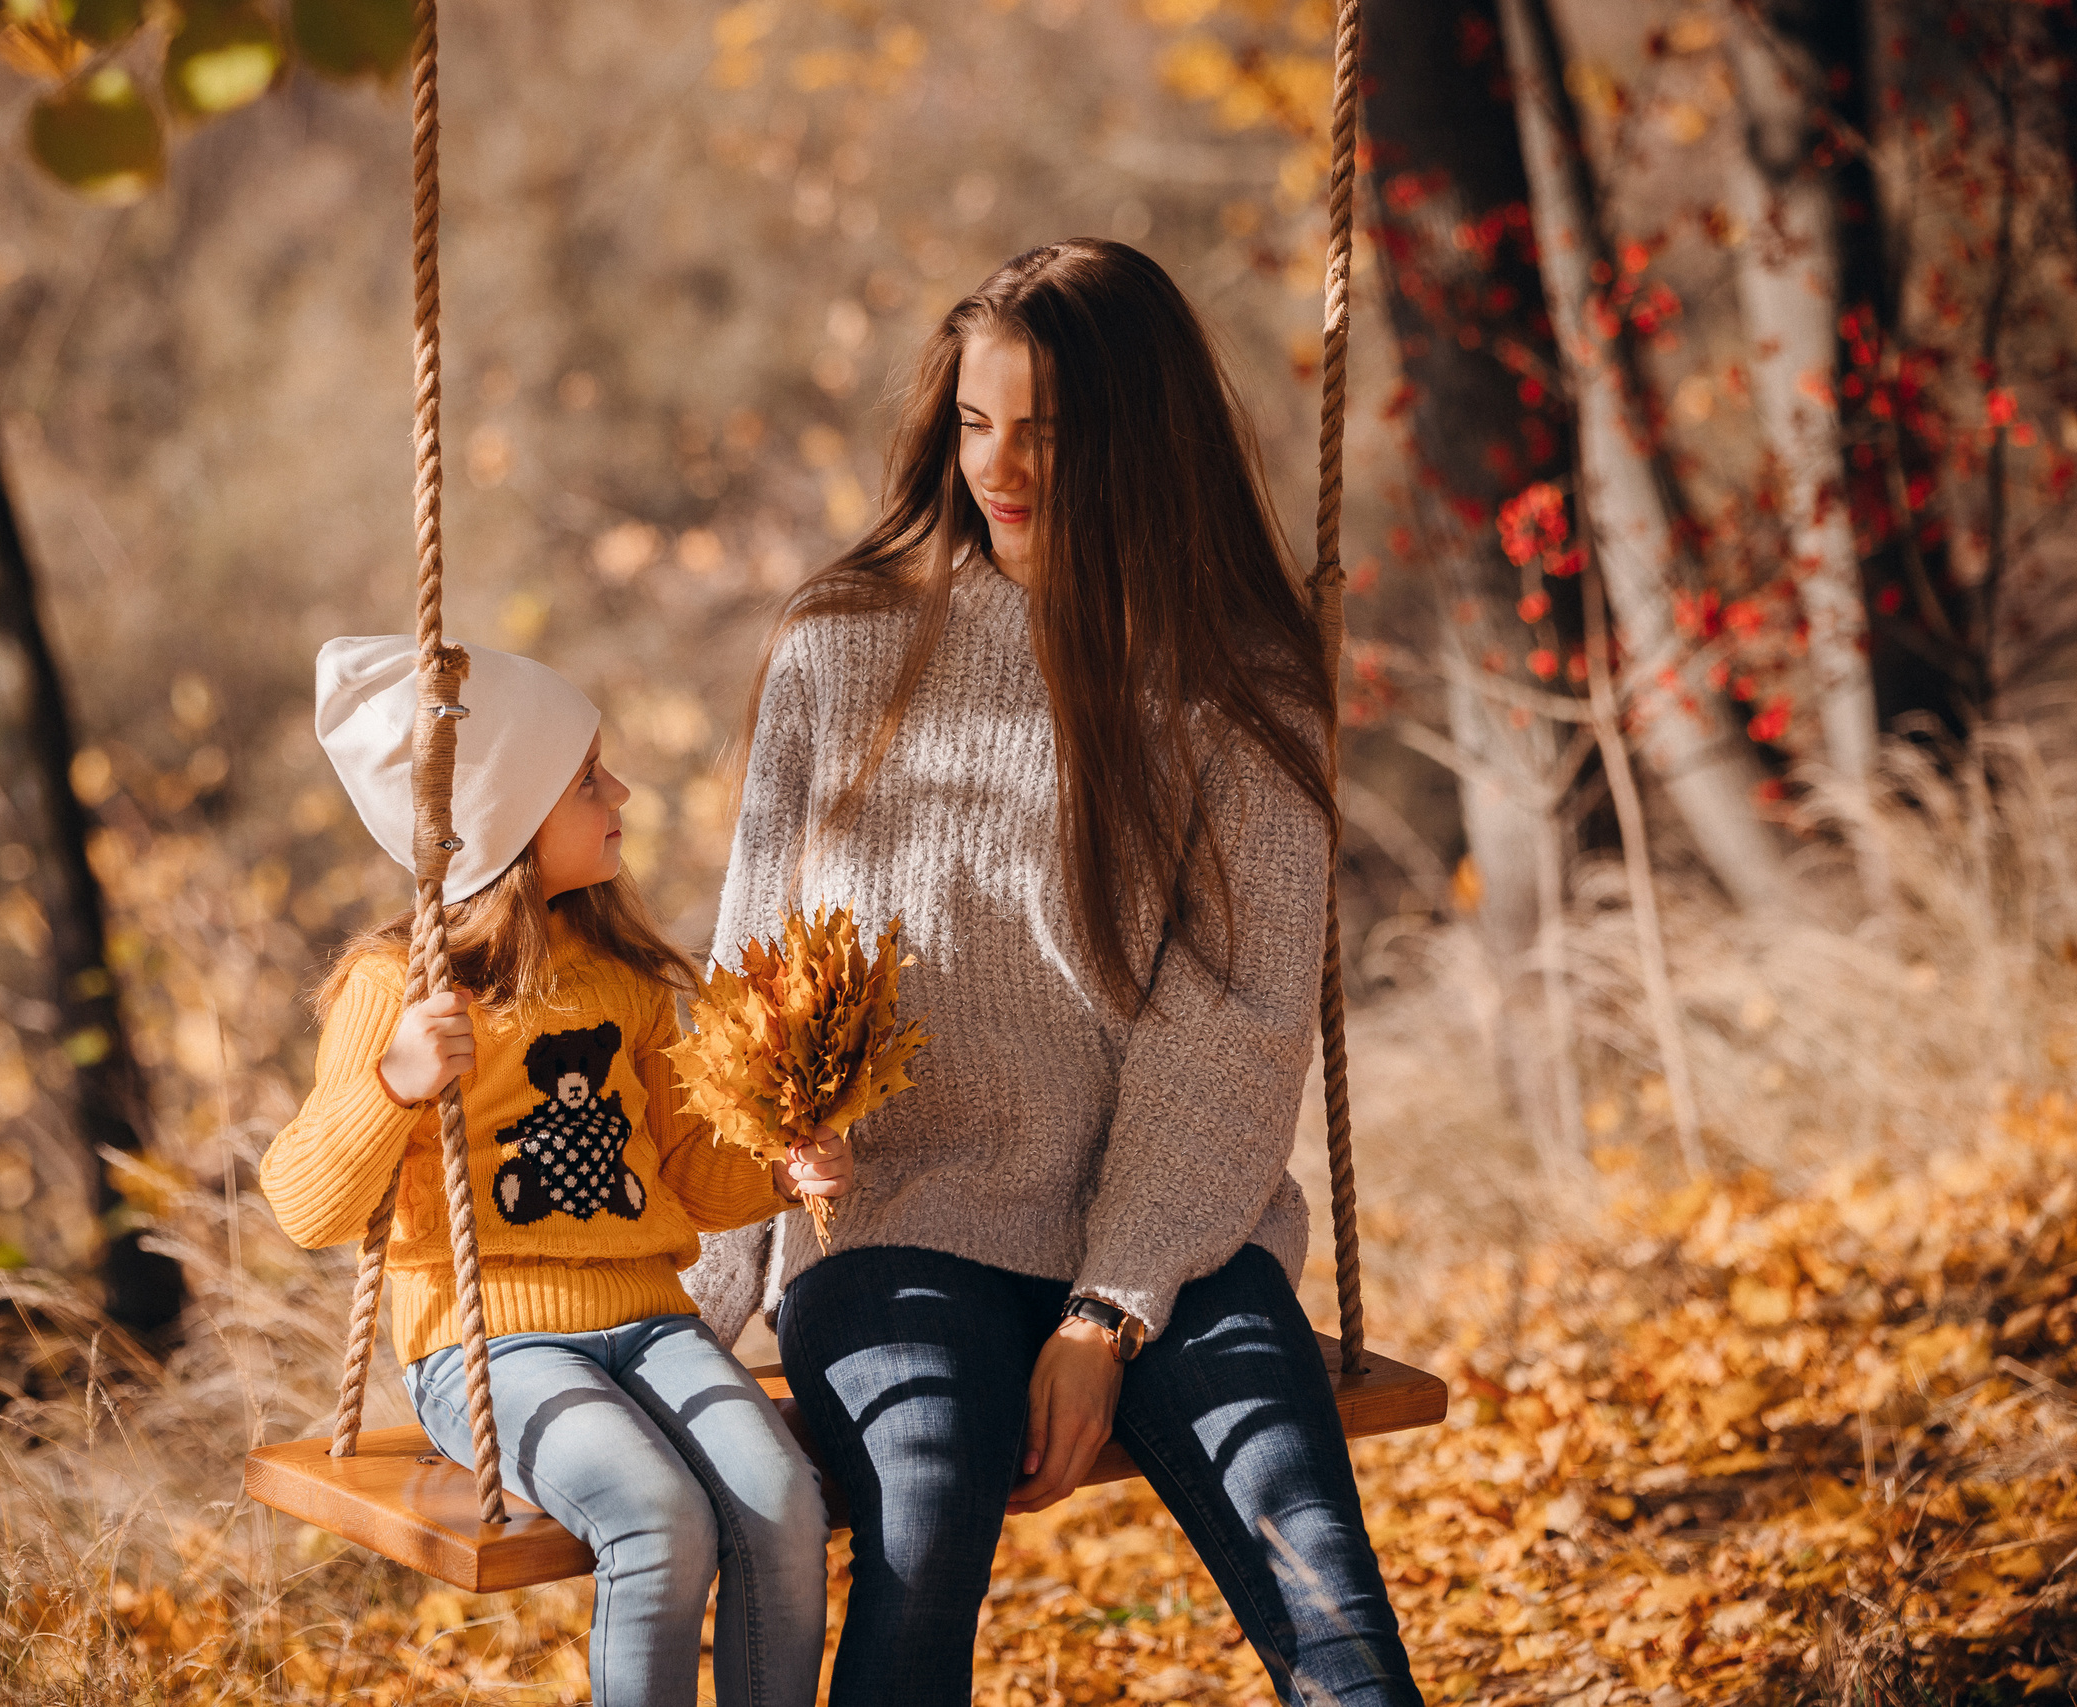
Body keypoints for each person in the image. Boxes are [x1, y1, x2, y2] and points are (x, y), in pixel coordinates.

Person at [685, 240, 1425, 1706]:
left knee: (1324, 1580)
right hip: (897, 1222)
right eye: (974, 421)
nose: (999, 465)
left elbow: (1228, 1031)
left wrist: (1108, 1309)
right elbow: (745, 981)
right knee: (924, 1510)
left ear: (1140, 443)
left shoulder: (1235, 678)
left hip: (1169, 1239)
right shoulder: (844, 645)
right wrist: (678, 1321)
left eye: (1047, 431)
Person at [261, 635, 853, 1707]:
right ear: (509, 821)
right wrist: (391, 1087)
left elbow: (687, 1178)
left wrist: (780, 1162)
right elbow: (305, 1201)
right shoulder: (395, 985)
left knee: (781, 1498)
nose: (619, 791)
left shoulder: (624, 985)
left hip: (651, 1320)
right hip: (491, 1347)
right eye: (587, 781)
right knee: (656, 1516)